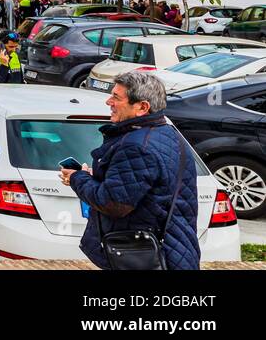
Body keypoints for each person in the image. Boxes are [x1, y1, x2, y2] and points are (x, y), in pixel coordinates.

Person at [61, 71, 200, 270]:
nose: (109, 101)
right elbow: (140, 186)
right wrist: (99, 177)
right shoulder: (167, 133)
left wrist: (78, 178)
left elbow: (113, 203)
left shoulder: (136, 146)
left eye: (116, 97)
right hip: (172, 250)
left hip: (146, 257)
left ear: (142, 107)